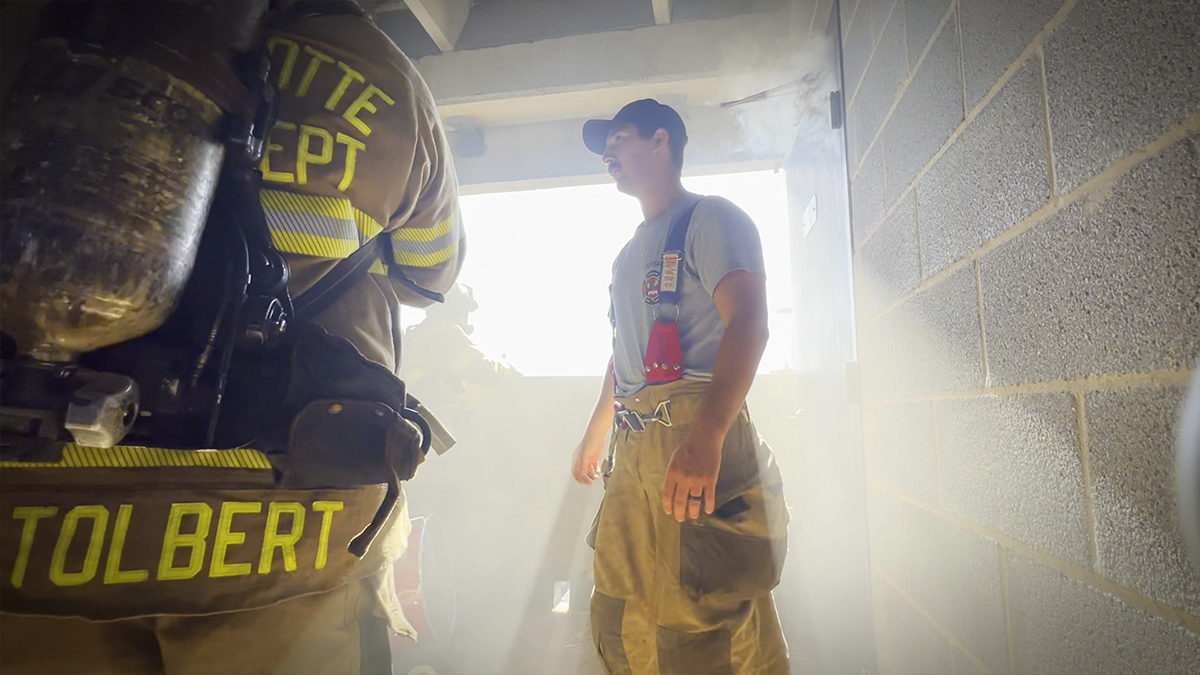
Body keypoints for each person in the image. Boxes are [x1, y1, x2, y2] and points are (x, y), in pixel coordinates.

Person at [0, 2, 464, 673]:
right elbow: (431, 273)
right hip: (285, 518)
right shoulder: (384, 74)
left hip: (40, 503)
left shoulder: (50, 23)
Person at [570, 99, 790, 675]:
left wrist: (708, 437)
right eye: (606, 146)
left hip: (693, 431)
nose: (608, 154)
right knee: (623, 610)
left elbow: (749, 322)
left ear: (660, 140)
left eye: (618, 139)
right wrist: (597, 432)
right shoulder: (624, 259)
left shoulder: (712, 219)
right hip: (633, 445)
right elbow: (624, 358)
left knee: (705, 611)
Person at [401, 284, 520, 428]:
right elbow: (479, 370)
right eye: (464, 307)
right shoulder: (445, 331)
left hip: (415, 417)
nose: (466, 314)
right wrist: (508, 370)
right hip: (435, 420)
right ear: (455, 308)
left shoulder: (417, 334)